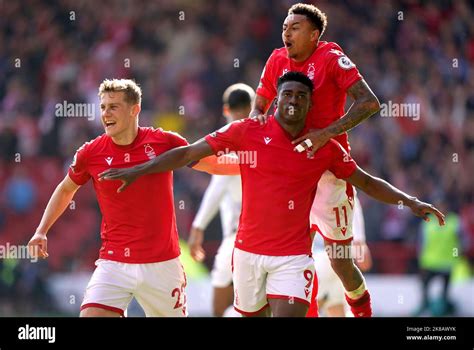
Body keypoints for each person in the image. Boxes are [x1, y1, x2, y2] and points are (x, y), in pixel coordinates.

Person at [99, 72, 445, 317]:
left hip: (294, 258)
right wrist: (138, 170)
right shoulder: (247, 131)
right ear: (276, 99)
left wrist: (410, 201)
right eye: (288, 94)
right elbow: (190, 152)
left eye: (301, 96)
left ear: (310, 104)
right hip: (247, 254)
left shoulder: (324, 147)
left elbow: (366, 182)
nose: (294, 100)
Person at [27, 79, 237, 317]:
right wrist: (41, 231)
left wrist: (253, 164)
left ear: (134, 109)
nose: (106, 113)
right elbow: (66, 189)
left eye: (113, 106)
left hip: (163, 264)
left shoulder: (163, 142)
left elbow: (211, 164)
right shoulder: (90, 152)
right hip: (114, 263)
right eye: (103, 107)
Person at [250, 3, 381, 317]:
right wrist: (258, 132)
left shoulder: (332, 59)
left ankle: (363, 312)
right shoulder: (276, 59)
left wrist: (326, 133)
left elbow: (370, 102)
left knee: (339, 262)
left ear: (314, 34)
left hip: (329, 170)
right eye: (285, 27)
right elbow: (259, 108)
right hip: (290, 174)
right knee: (294, 257)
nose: (286, 33)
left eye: (294, 28)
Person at [188, 83, 254, 317]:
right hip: (263, 238)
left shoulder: (228, 144)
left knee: (221, 309)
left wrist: (198, 227)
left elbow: (218, 186)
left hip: (239, 238)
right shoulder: (260, 139)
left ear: (226, 110)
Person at [309, 198, 372, 317]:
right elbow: (363, 259)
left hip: (319, 260)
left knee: (314, 306)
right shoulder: (347, 194)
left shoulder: (311, 189)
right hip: (338, 258)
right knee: (335, 308)